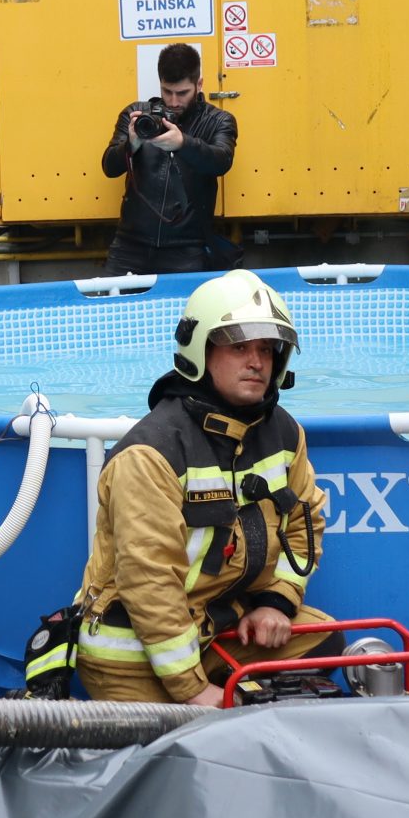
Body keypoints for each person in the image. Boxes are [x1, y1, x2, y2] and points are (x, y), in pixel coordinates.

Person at [69, 270, 337, 706]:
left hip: (219, 630)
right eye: (239, 346)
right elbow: (149, 582)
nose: (257, 361)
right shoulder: (151, 452)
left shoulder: (285, 434)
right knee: (184, 753)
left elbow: (305, 529)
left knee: (333, 645)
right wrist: (195, 693)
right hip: (132, 654)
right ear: (201, 351)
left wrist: (276, 602)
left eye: (267, 349)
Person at [100, 43, 241, 275]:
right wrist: (131, 145)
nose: (174, 102)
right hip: (130, 245)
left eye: (182, 93)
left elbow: (221, 160)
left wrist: (183, 144)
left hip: (186, 249)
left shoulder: (220, 121)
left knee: (186, 312)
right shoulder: (137, 114)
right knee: (111, 310)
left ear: (199, 84)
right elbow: (109, 167)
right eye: (167, 92)